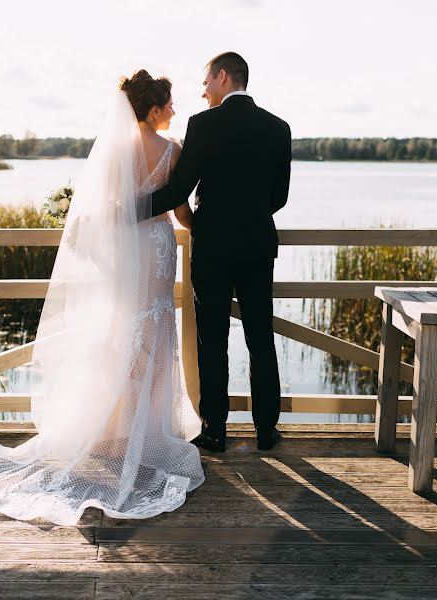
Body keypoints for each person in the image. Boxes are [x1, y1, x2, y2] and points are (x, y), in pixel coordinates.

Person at [0, 70, 204, 526]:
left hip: (124, 254)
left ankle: (112, 431)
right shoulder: (172, 149)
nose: (174, 111)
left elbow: (100, 212)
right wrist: (205, 230)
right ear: (154, 109)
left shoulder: (112, 150)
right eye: (170, 104)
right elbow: (181, 214)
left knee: (121, 330)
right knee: (155, 331)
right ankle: (147, 433)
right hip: (156, 250)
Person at [150, 52, 292, 453]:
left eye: (207, 81)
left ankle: (215, 431)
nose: (203, 90)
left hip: (211, 247)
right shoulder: (278, 128)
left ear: (223, 76)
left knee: (212, 339)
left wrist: (129, 209)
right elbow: (278, 197)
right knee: (260, 337)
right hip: (258, 246)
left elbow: (178, 192)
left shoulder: (203, 124)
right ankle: (267, 430)